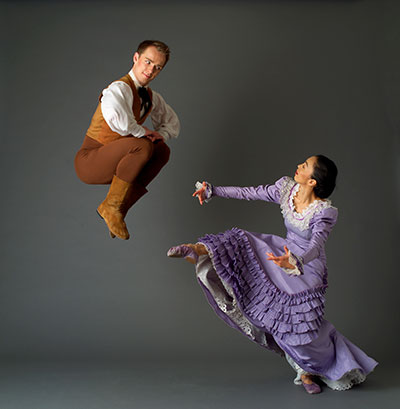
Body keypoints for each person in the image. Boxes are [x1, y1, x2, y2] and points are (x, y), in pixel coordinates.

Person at [167, 155, 377, 394]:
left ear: (313, 182)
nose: (299, 166)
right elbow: (250, 192)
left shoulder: (325, 212)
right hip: (282, 253)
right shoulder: (286, 189)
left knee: (299, 328)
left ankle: (308, 371)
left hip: (307, 267)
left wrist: (296, 260)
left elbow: (316, 245)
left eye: (305, 166)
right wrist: (213, 190)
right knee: (241, 240)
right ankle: (198, 250)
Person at [75, 40, 180, 240]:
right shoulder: (118, 89)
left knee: (161, 150)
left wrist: (162, 134)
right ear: (136, 58)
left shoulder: (151, 97)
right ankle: (111, 206)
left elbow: (172, 121)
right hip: (90, 160)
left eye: (157, 67)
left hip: (119, 161)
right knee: (142, 145)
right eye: (148, 62)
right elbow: (118, 120)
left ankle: (119, 209)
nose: (151, 70)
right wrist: (142, 132)